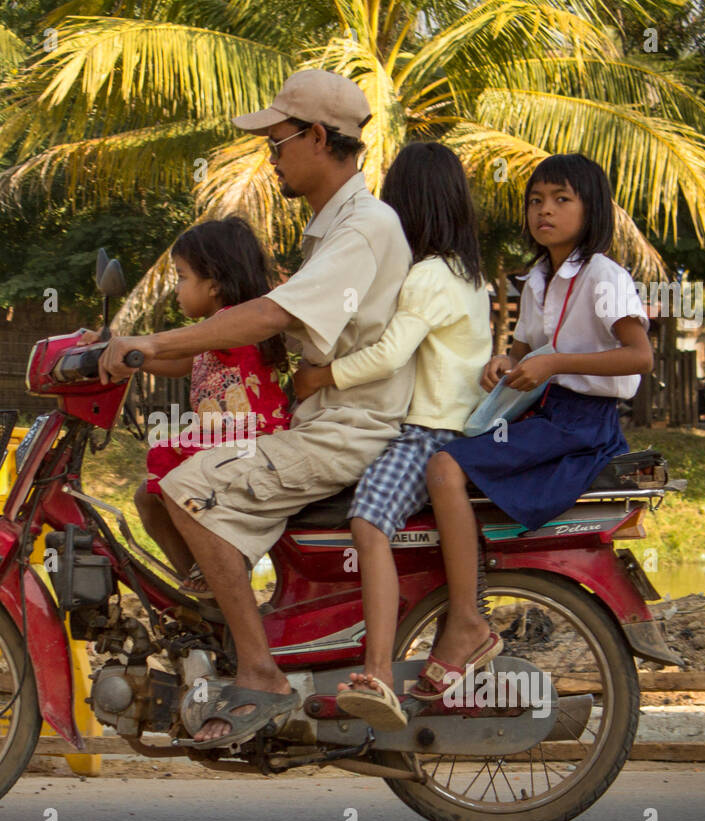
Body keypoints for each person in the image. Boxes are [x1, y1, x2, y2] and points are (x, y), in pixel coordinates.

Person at [98, 69, 415, 748]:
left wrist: (149, 341)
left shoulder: (362, 229)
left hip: (343, 429)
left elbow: (266, 317)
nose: (271, 157)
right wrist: (139, 355)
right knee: (167, 483)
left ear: (321, 138)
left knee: (186, 487)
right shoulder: (328, 231)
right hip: (321, 419)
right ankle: (222, 615)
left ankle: (259, 671)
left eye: (278, 142)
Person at [419, 153, 654, 701]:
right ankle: (465, 605)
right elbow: (522, 350)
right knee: (435, 464)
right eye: (535, 200)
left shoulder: (604, 276)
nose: (544, 211)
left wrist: (555, 363)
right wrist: (504, 363)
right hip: (542, 413)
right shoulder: (539, 279)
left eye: (561, 200)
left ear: (591, 209)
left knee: (444, 468)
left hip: (581, 426)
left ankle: (466, 621)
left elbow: (638, 357)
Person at [290, 141, 490, 729]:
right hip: (453, 429)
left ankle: (377, 669)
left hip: (426, 433)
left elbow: (387, 355)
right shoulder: (469, 276)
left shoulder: (427, 276)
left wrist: (318, 376)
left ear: (410, 205)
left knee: (368, 521)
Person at [84, 218, 289, 596]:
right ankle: (203, 580)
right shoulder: (223, 329)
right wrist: (118, 349)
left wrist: (138, 342)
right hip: (230, 439)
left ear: (213, 283)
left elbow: (178, 350)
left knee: (164, 464)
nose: (177, 289)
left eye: (181, 277)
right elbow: (183, 363)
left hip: (246, 440)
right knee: (147, 495)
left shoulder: (232, 323)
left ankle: (213, 578)